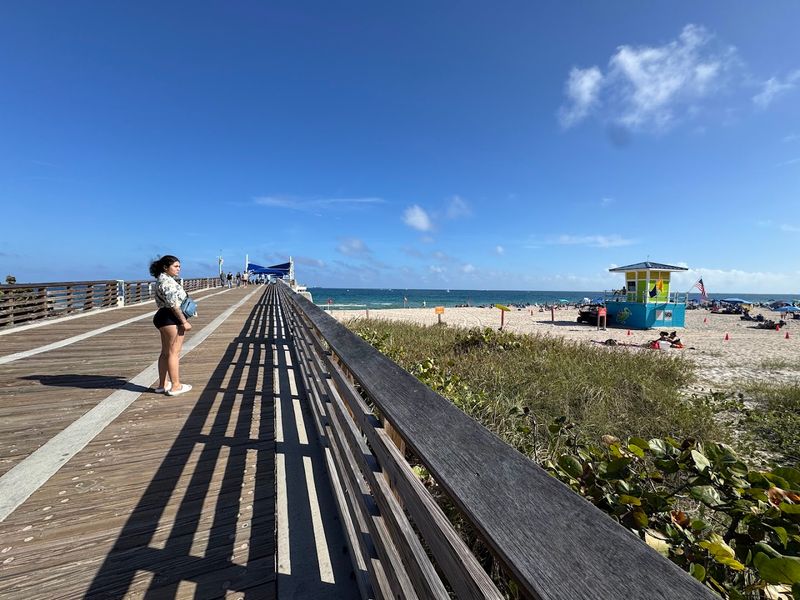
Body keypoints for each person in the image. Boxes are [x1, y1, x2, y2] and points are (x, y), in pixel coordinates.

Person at [149, 255, 193, 397]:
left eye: (179, 266)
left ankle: (162, 385)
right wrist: (184, 322)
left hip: (162, 316)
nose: (179, 269)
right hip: (171, 318)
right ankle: (176, 386)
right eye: (176, 266)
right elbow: (174, 304)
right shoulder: (167, 282)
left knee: (166, 352)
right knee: (174, 352)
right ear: (165, 267)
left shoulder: (162, 279)